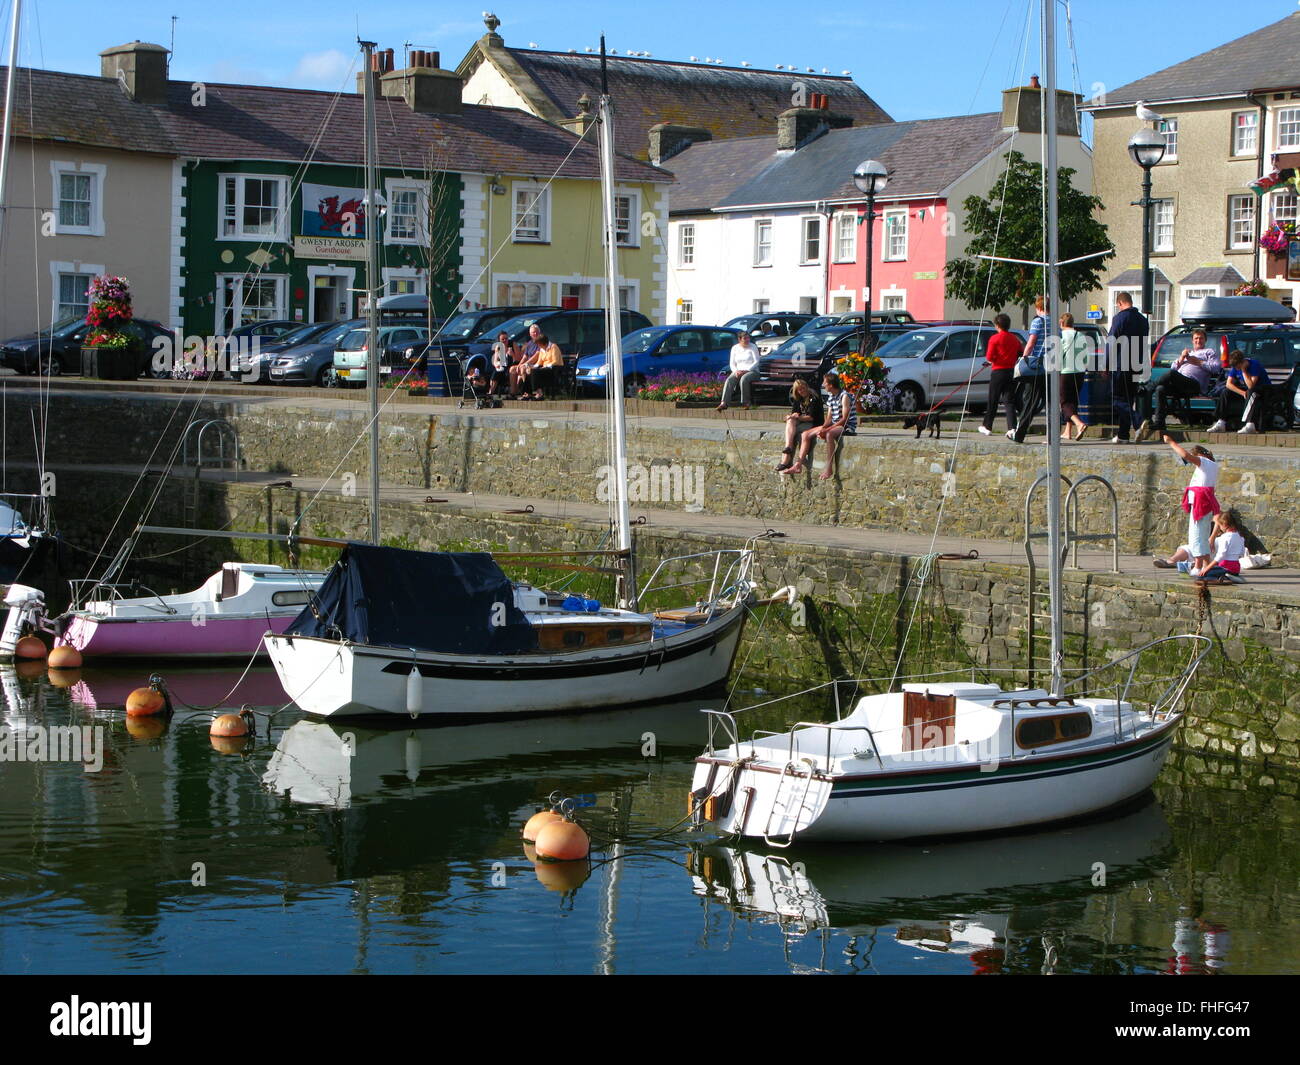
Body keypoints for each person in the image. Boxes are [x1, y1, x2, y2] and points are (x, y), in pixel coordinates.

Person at [1136, 329, 1219, 439]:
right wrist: (1182, 358)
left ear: (1205, 340)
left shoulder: (1209, 352)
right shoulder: (1188, 353)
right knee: (1160, 388)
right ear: (1192, 340)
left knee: (1171, 374)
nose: (1198, 340)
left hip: (1194, 385)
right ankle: (1159, 423)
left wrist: (1198, 362)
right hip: (1180, 384)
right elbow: (1174, 367)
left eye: (1201, 338)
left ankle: (1148, 388)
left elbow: (1216, 368)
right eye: (1196, 338)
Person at [1160, 433, 1220, 574]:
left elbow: (1186, 455)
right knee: (1201, 536)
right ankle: (1203, 564)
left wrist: (1171, 442)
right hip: (1202, 503)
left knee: (1197, 536)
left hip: (1201, 504)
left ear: (1199, 455)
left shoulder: (1204, 462)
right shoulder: (1211, 466)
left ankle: (1201, 565)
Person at [783, 371, 856, 480]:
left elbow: (844, 419)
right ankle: (798, 465)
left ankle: (829, 468)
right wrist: (824, 427)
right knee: (805, 434)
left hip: (846, 426)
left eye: (825, 383)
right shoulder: (831, 397)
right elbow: (829, 418)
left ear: (830, 385)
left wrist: (827, 430)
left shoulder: (844, 396)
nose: (823, 385)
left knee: (829, 434)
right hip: (835, 424)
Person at [1106, 291, 1148, 443]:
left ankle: (1138, 420)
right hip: (1136, 365)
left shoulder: (1120, 318)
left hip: (1120, 364)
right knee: (1128, 399)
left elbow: (1111, 342)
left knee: (1115, 398)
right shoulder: (1143, 320)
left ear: (1120, 303)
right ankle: (1123, 435)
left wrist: (1105, 364)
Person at [1154, 510, 1245, 579]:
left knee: (1202, 575)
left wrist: (1207, 568)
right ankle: (1179, 561)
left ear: (1224, 525)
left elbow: (1220, 556)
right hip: (1236, 568)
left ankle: (1199, 568)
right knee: (1194, 549)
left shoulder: (1225, 537)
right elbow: (1241, 553)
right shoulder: (1241, 538)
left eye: (1220, 526)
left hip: (1225, 566)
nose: (1220, 529)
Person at [1009, 297, 1047, 444]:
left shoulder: (1038, 321)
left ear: (1039, 308)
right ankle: (1052, 436)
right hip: (1051, 365)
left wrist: (1024, 358)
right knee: (1049, 402)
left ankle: (1019, 434)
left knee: (1030, 400)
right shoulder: (1056, 323)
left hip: (1037, 366)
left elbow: (1031, 343)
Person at [1206, 349, 1269, 434]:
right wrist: (1242, 393)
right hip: (1247, 391)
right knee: (1226, 392)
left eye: (1238, 367)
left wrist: (1243, 371)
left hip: (1262, 390)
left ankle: (1250, 424)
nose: (1236, 369)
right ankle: (1221, 422)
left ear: (1242, 362)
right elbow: (1229, 384)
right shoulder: (1235, 367)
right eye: (1235, 367)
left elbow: (1251, 385)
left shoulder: (1254, 365)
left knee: (1251, 392)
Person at [979, 313, 1020, 436]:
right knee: (1009, 401)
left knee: (993, 399)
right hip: (1011, 371)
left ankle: (987, 426)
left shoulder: (994, 338)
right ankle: (1012, 427)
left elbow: (990, 357)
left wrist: (995, 358)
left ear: (997, 325)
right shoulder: (1014, 338)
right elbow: (1020, 352)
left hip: (998, 371)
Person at [776, 378, 824, 471]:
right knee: (790, 422)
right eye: (799, 389)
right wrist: (790, 416)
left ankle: (785, 461)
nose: (802, 391)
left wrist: (796, 417)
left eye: (803, 388)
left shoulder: (814, 398)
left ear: (806, 387)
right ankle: (788, 447)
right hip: (803, 422)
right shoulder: (798, 399)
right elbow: (795, 413)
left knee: (791, 432)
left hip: (814, 423)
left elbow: (811, 417)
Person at [1058, 312, 1091, 440]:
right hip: (1080, 373)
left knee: (1064, 402)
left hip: (1066, 372)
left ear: (1062, 323)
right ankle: (1068, 431)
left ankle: (1079, 423)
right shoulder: (1081, 336)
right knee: (1073, 401)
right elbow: (1086, 358)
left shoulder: (1062, 336)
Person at [718, 331, 760, 411]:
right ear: (740, 339)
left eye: (748, 338)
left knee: (744, 379)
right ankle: (724, 403)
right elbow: (732, 363)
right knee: (729, 380)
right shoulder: (735, 348)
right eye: (745, 338)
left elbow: (756, 362)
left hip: (752, 371)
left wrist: (746, 370)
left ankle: (746, 402)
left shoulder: (753, 347)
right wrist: (736, 371)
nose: (747, 340)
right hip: (738, 371)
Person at [510, 324, 543, 398]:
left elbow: (536, 356)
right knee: (513, 369)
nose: (535, 334)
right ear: (530, 334)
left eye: (536, 332)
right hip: (528, 364)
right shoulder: (529, 343)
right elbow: (525, 356)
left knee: (523, 368)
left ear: (539, 332)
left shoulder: (541, 342)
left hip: (537, 364)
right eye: (533, 332)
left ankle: (528, 392)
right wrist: (519, 365)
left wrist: (524, 364)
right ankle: (513, 392)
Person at [530, 332, 564, 399]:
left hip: (553, 369)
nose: (538, 346)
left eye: (539, 344)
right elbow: (539, 362)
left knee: (535, 372)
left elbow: (556, 361)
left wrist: (546, 366)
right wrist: (532, 366)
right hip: (544, 369)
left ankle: (538, 393)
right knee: (530, 371)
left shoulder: (553, 347)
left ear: (543, 343)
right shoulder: (542, 349)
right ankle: (528, 393)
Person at [488, 332, 517, 396]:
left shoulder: (512, 345)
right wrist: (496, 365)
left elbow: (518, 359)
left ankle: (491, 391)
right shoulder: (498, 347)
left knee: (500, 371)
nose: (505, 340)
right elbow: (495, 361)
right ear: (499, 340)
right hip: (502, 367)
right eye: (502, 339)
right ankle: (491, 392)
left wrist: (513, 355)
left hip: (512, 365)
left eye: (506, 339)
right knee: (496, 371)